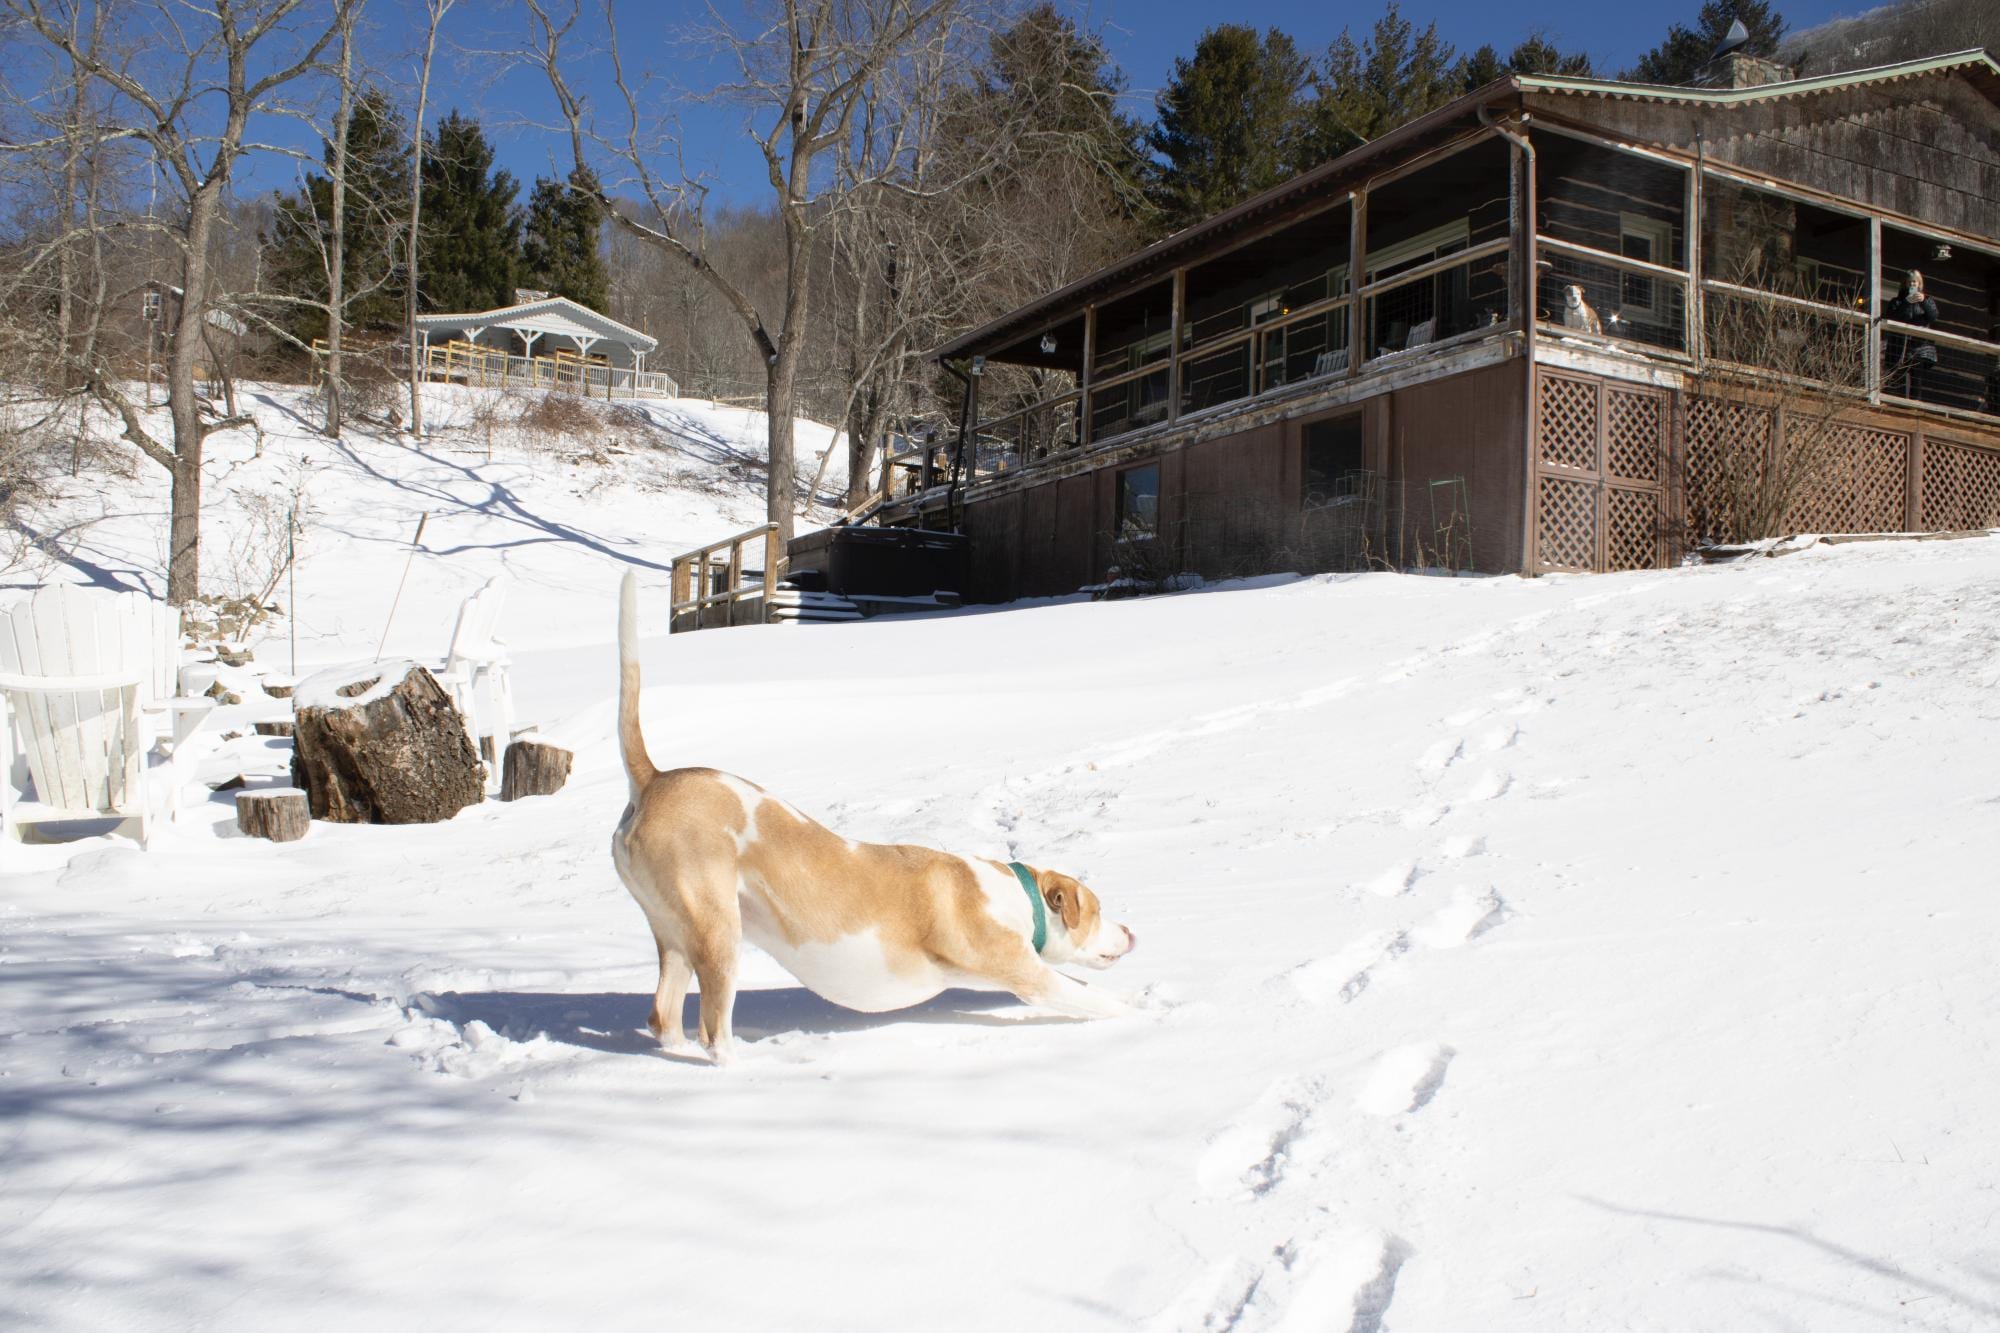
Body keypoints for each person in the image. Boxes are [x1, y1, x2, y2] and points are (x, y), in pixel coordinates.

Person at [1883, 269, 1938, 399]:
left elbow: (1933, 316)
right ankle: (1895, 402)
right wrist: (1906, 303)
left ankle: (1915, 406)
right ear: (1905, 284)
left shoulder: (1928, 300)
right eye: (1910, 282)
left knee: (1916, 377)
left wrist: (1924, 301)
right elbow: (1893, 316)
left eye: (1915, 282)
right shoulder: (1897, 302)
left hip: (1920, 346)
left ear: (1919, 284)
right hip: (1900, 344)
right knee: (1898, 376)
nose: (1912, 285)